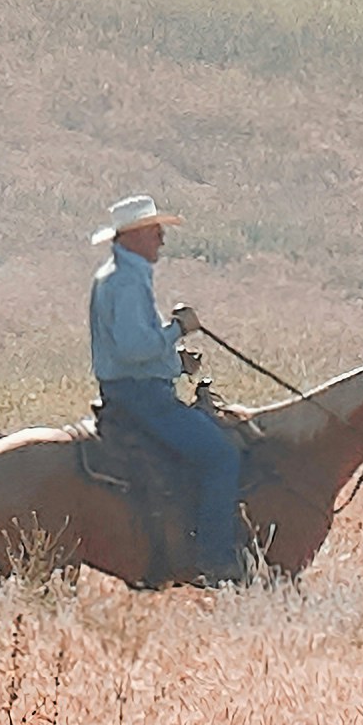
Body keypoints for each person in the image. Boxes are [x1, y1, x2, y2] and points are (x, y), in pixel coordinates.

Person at [90, 193, 252, 586]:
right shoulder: (126, 281)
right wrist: (178, 330)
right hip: (143, 398)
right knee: (221, 457)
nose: (161, 237)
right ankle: (215, 559)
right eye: (153, 230)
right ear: (133, 236)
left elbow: (133, 348)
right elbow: (133, 348)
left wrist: (175, 362)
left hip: (134, 390)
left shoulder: (119, 276)